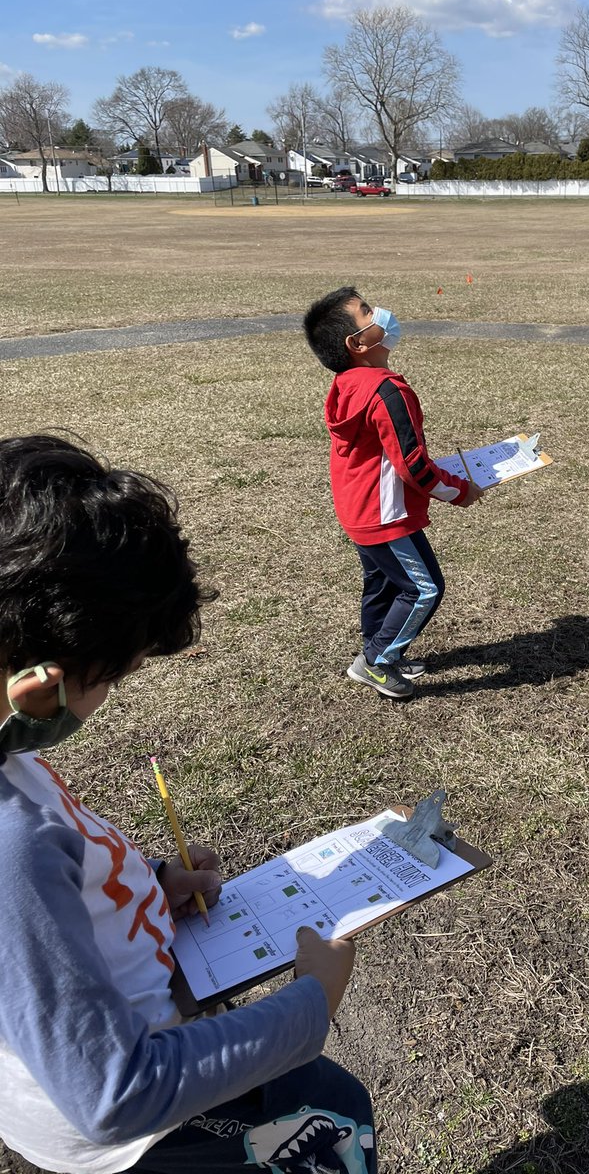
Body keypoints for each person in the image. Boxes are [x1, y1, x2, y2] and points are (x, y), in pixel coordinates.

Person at [0, 435, 374, 1174]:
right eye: (114, 677)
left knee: (332, 1094)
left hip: (159, 1041)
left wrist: (149, 887)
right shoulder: (10, 844)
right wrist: (311, 1002)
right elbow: (114, 1092)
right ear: (42, 687)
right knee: (331, 1115)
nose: (108, 698)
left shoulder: (12, 751)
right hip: (142, 1140)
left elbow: (47, 926)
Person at [304, 288, 482, 699]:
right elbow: (413, 465)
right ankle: (379, 662)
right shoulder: (387, 391)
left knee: (383, 583)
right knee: (424, 588)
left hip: (360, 510)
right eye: (368, 311)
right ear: (359, 342)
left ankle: (376, 650)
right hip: (385, 515)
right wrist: (459, 491)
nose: (382, 312)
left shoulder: (347, 383)